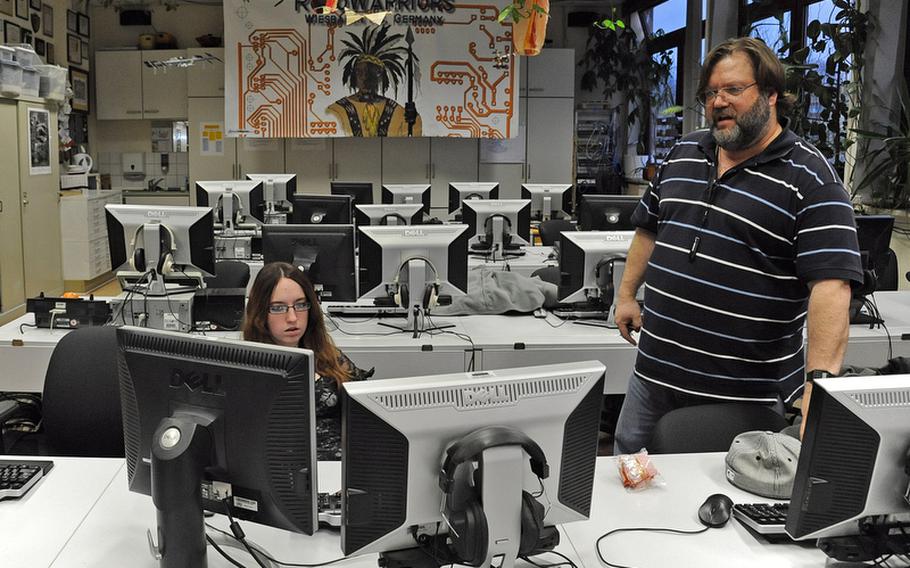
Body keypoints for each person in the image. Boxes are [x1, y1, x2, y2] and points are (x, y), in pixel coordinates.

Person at [612, 37, 863, 454]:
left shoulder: (810, 179)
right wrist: (625, 295)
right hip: (653, 374)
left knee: (712, 506)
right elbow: (649, 227)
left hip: (740, 397)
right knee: (625, 481)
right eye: (711, 93)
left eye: (732, 90)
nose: (718, 102)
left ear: (770, 94)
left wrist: (818, 390)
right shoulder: (686, 151)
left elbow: (832, 288)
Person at [242, 262, 372, 460]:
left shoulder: (329, 357)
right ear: (260, 313)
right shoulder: (245, 367)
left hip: (340, 472)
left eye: (301, 305)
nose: (293, 318)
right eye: (278, 308)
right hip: (280, 474)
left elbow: (369, 412)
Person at [327, 24, 422, 137]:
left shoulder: (399, 113)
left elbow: (413, 141)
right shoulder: (337, 110)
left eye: (370, 73)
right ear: (354, 74)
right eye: (360, 72)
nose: (365, 78)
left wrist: (413, 121)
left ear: (380, 76)